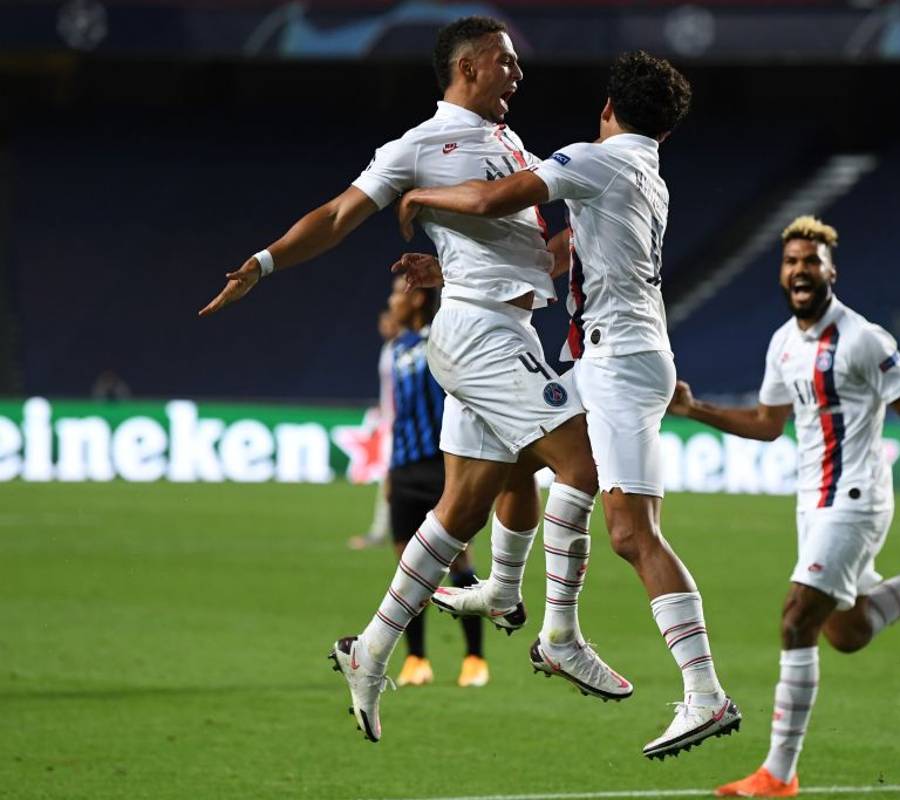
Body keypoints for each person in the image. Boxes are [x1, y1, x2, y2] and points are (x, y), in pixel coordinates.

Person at [198, 16, 631, 746]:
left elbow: (532, 257)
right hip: (479, 335)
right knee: (583, 462)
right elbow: (339, 214)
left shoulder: (511, 145)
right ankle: (556, 633)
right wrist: (264, 265)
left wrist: (595, 228)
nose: (518, 74)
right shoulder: (419, 146)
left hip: (505, 327)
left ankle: (369, 651)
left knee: (464, 509)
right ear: (466, 67)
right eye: (506, 62)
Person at [395, 50, 741, 760]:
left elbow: (499, 197)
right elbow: (561, 250)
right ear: (666, 131)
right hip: (610, 358)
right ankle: (532, 613)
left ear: (608, 108)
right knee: (516, 446)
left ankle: (704, 693)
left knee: (631, 532)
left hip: (618, 362)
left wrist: (423, 200)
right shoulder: (643, 171)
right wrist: (454, 267)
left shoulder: (594, 158)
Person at [665, 216, 900, 797]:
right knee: (845, 633)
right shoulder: (783, 343)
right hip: (813, 501)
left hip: (858, 497)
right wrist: (695, 409)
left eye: (810, 262)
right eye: (791, 262)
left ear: (831, 271)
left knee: (797, 617)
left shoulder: (863, 339)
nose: (800, 270)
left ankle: (778, 773)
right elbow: (766, 423)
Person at [380, 278, 489, 688]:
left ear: (418, 297)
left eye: (397, 293)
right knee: (407, 568)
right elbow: (396, 415)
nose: (392, 301)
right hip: (404, 470)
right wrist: (390, 473)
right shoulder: (395, 349)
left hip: (442, 468)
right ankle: (416, 659)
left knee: (458, 562)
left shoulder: (441, 341)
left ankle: (475, 658)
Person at [348, 310, 402, 551]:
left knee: (395, 481)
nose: (384, 327)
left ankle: (382, 532)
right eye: (382, 323)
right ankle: (382, 531)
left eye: (389, 322)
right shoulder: (388, 349)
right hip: (392, 425)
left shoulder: (406, 350)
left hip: (406, 427)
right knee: (390, 480)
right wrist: (380, 412)